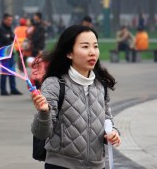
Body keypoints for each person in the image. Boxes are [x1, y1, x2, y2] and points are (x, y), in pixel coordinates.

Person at [31, 25, 121, 169]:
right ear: (69, 53)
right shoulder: (54, 84)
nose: (93, 52)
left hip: (97, 165)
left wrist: (112, 133)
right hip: (62, 165)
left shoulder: (100, 84)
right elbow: (41, 133)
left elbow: (107, 118)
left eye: (95, 46)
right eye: (85, 47)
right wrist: (44, 112)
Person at [0, 13, 22, 96]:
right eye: (8, 20)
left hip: (10, 52)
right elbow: (6, 39)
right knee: (5, 71)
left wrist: (10, 36)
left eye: (11, 20)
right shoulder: (0, 29)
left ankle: (13, 88)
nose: (10, 22)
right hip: (3, 53)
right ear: (4, 20)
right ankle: (3, 89)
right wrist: (9, 37)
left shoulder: (9, 28)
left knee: (12, 71)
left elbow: (12, 37)